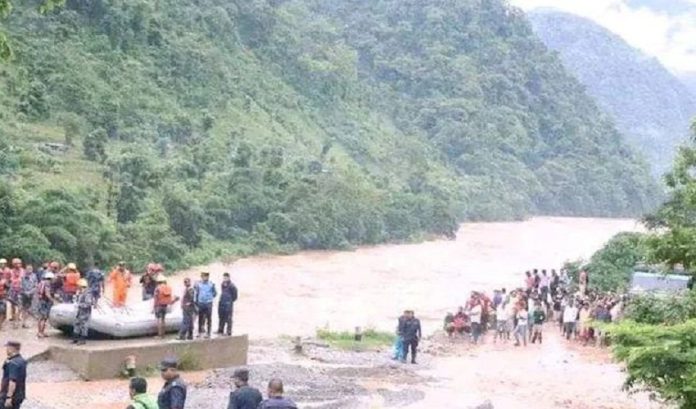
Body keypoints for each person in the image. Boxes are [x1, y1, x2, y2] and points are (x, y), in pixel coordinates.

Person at [0, 340, 27, 409]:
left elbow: (12, 381)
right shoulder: (21, 360)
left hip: (11, 395)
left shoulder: (13, 363)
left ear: (12, 349)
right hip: (19, 394)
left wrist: (9, 397)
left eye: (7, 348)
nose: (6, 350)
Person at [194, 272, 216, 338]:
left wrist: (209, 298)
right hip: (201, 303)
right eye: (203, 276)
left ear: (208, 277)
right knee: (200, 318)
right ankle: (199, 332)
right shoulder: (198, 284)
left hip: (208, 303)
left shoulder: (211, 284)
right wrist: (196, 302)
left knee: (209, 318)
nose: (204, 278)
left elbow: (215, 293)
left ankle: (208, 333)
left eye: (206, 276)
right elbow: (196, 293)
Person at [36, 272, 56, 338]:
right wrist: (53, 301)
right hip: (45, 302)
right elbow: (47, 294)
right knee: (44, 318)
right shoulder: (47, 284)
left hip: (40, 301)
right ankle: (41, 332)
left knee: (40, 317)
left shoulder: (41, 282)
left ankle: (40, 332)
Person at [73, 279, 93, 345]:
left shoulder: (87, 294)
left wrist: (79, 305)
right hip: (80, 311)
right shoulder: (80, 292)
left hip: (85, 312)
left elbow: (88, 304)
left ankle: (82, 340)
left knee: (83, 326)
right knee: (77, 324)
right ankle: (75, 338)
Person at [8, 259, 25, 326]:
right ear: (13, 264)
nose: (19, 265)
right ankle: (13, 317)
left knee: (20, 305)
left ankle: (18, 317)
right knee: (13, 305)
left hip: (20, 290)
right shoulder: (11, 271)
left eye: (20, 263)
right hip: (13, 290)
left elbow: (22, 279)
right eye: (17, 263)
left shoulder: (23, 270)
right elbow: (10, 280)